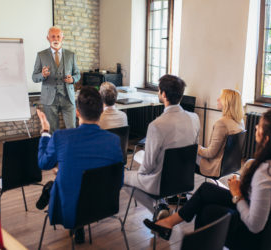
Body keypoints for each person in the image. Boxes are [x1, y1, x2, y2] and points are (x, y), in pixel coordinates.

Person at [144, 108, 271, 249]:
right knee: (206, 190)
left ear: (268, 139)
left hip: (256, 239)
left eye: (260, 126)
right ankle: (169, 223)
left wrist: (237, 195)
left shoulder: (265, 174)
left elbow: (255, 225)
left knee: (207, 211)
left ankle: (176, 230)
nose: (256, 127)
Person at [36, 86, 123, 244]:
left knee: (62, 181)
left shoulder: (61, 137)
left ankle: (49, 191)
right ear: (101, 110)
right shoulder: (114, 140)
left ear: (77, 112)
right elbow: (118, 180)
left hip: (71, 209)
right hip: (103, 205)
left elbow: (43, 163)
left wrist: (45, 131)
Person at [124, 74, 200, 217]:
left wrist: (139, 177)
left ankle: (158, 209)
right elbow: (194, 150)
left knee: (123, 178)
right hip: (185, 180)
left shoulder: (157, 125)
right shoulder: (194, 118)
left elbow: (148, 166)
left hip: (161, 183)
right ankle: (160, 207)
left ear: (163, 94)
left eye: (159, 90)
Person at [32, 26, 81, 133]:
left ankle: (70, 149)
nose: (56, 39)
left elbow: (77, 74)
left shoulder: (70, 55)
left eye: (58, 36)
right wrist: (42, 75)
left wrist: (72, 79)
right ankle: (55, 149)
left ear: (62, 38)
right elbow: (34, 77)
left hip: (68, 98)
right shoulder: (41, 55)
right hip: (49, 99)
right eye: (53, 36)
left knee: (72, 129)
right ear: (48, 38)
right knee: (52, 130)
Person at [197, 89, 244, 177]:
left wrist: (196, 147)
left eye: (221, 98)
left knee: (186, 153)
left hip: (214, 167)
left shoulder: (222, 123)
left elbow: (210, 153)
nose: (218, 99)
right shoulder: (240, 122)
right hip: (229, 166)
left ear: (227, 102)